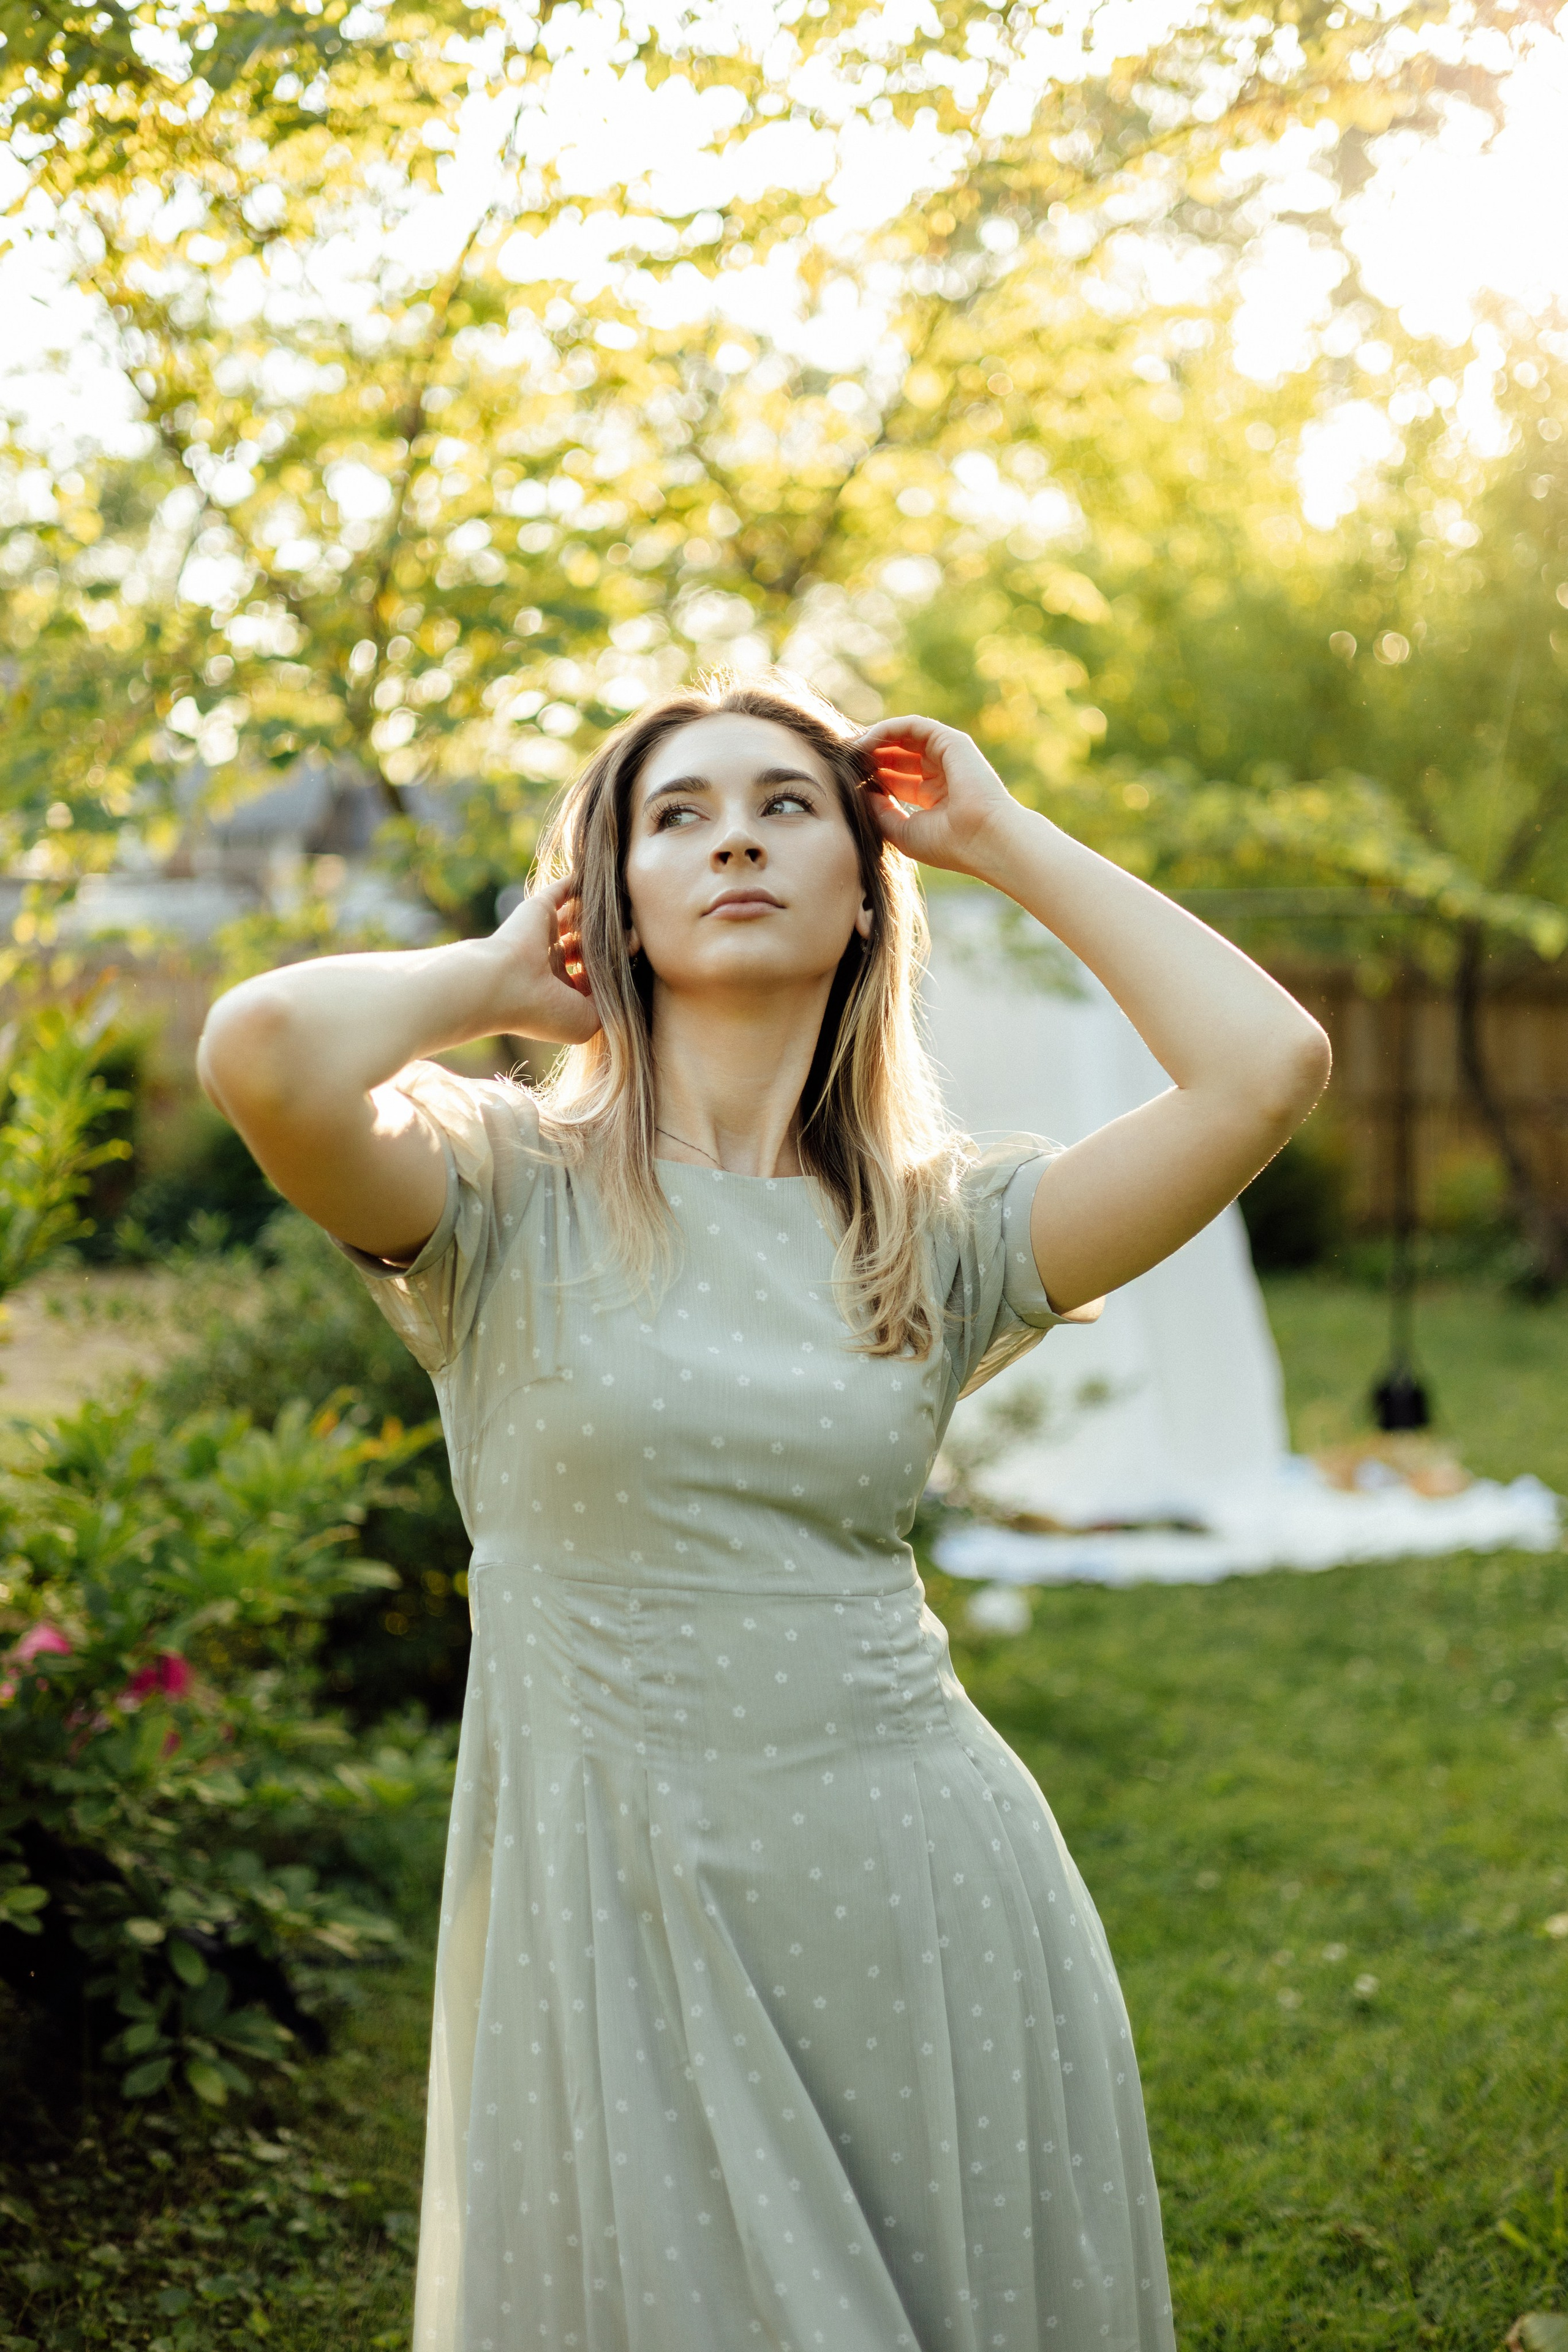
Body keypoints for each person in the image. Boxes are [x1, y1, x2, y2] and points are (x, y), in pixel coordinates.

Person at [197, 674, 1329, 2352]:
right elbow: (264, 1054)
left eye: (790, 804)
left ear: (866, 890)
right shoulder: (500, 1192)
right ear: (620, 900)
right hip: (618, 1911)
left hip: (920, 1900)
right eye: (678, 813)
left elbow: (1268, 1069)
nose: (736, 831)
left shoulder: (940, 1231)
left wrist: (1006, 840)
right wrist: (508, 976)